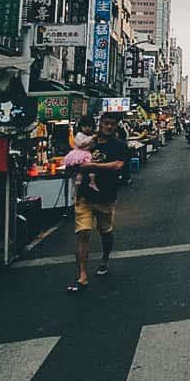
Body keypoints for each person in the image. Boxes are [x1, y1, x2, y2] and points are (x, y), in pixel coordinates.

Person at [67, 112, 128, 294]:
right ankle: (82, 274)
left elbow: (118, 165)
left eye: (112, 124)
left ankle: (105, 259)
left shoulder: (119, 145)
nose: (109, 127)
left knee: (106, 232)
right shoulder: (88, 142)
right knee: (83, 233)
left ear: (116, 126)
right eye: (106, 123)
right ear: (99, 123)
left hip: (106, 197)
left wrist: (92, 167)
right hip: (84, 196)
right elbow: (75, 156)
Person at [64, 116, 99, 193]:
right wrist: (91, 138)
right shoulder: (79, 135)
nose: (87, 128)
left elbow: (91, 146)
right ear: (81, 127)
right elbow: (80, 144)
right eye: (85, 126)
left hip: (86, 154)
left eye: (89, 126)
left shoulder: (90, 136)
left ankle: (91, 182)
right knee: (82, 170)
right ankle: (76, 189)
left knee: (87, 170)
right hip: (79, 154)